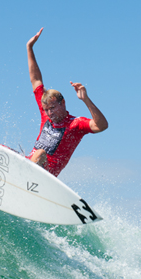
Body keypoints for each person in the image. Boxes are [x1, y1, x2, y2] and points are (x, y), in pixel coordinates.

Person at [26, 27, 108, 176]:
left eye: (53, 108)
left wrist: (86, 100)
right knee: (3, 148)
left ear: (62, 103)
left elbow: (101, 126)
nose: (49, 113)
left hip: (46, 176)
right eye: (47, 110)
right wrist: (29, 47)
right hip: (28, 165)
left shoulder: (75, 124)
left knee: (40, 153)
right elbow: (36, 79)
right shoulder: (46, 113)